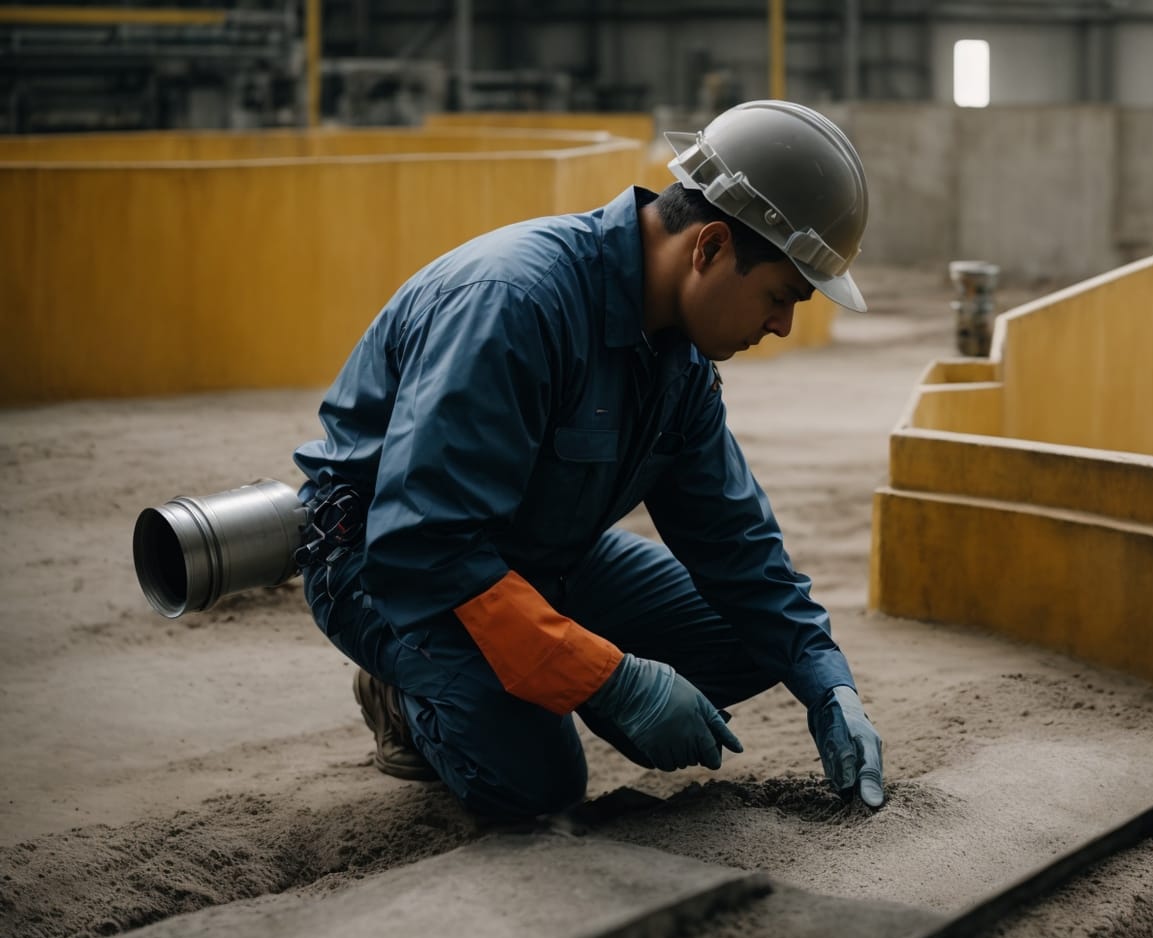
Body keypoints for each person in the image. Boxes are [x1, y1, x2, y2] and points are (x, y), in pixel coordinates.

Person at [291, 101, 886, 820]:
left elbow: (736, 544)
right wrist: (613, 681)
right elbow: (424, 545)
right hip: (394, 570)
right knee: (534, 787)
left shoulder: (680, 360)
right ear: (710, 248)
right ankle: (406, 690)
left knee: (767, 640)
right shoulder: (514, 305)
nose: (783, 325)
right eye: (781, 297)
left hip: (538, 556)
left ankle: (533, 667)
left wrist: (830, 688)